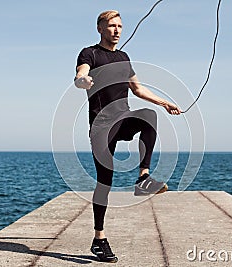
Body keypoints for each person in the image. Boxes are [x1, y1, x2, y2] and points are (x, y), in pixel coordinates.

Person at [74, 10, 181, 263]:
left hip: (122, 120)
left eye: (120, 26)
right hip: (101, 126)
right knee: (104, 183)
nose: (117, 30)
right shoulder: (90, 53)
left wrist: (164, 102)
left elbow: (137, 88)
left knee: (149, 115)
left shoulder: (124, 57)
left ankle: (143, 177)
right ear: (100, 28)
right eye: (112, 26)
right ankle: (99, 239)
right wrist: (82, 80)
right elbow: (81, 72)